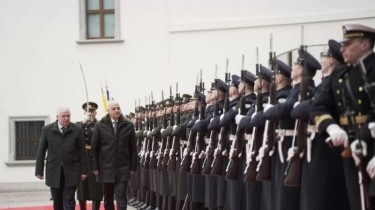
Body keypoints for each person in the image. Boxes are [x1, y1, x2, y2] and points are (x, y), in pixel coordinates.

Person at [311, 22, 375, 210]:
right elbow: (319, 106)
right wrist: (331, 126)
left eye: (348, 44)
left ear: (364, 45)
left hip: (371, 145)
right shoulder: (340, 74)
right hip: (350, 145)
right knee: (357, 201)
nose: (342, 49)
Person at [35, 106, 88, 210]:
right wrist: (39, 171)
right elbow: (41, 151)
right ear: (57, 117)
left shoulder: (77, 129)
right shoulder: (47, 130)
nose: (66, 118)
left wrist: (84, 171)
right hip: (54, 171)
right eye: (63, 116)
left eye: (68, 116)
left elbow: (82, 152)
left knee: (69, 199)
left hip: (71, 171)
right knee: (57, 200)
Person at [91, 100, 137, 210]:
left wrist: (133, 167)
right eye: (114, 108)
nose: (117, 110)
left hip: (123, 167)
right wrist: (94, 166)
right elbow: (94, 148)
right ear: (108, 110)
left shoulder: (128, 125)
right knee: (108, 197)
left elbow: (133, 148)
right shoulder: (100, 125)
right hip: (105, 168)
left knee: (121, 196)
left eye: (118, 108)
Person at [76, 102, 103, 210]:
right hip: (82, 158)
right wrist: (83, 122)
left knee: (96, 187)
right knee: (82, 188)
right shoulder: (79, 125)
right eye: (88, 111)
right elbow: (74, 132)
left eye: (92, 111)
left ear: (95, 112)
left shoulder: (100, 124)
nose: (90, 113)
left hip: (95, 158)